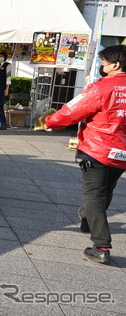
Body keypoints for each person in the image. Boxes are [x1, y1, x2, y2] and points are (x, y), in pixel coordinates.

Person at [44, 45, 126, 265]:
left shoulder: (101, 87)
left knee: (94, 196)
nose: (101, 66)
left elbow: (72, 110)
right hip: (122, 154)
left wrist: (49, 121)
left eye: (103, 63)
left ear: (115, 65)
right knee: (106, 190)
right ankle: (88, 220)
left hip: (97, 150)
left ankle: (101, 246)